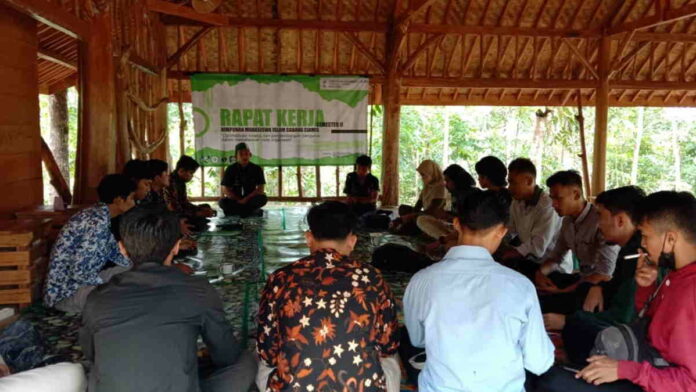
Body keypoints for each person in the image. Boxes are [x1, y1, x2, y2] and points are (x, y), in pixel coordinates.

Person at [79, 205, 256, 392]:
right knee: (245, 363)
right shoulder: (197, 290)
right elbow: (226, 356)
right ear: (177, 246)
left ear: (122, 248)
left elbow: (91, 354)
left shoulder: (97, 297)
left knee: (93, 370)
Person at [537, 191, 696, 392]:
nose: (642, 244)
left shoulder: (691, 291)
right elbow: (649, 323)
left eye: (646, 236)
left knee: (551, 383)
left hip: (655, 379)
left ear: (671, 239)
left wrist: (625, 370)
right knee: (554, 377)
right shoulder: (675, 274)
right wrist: (646, 288)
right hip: (646, 364)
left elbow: (690, 383)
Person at [404, 190, 554, 392]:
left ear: (456, 224)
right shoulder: (520, 286)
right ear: (501, 231)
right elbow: (539, 362)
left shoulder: (422, 281)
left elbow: (417, 339)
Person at [257, 201, 400, 392]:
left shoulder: (280, 278)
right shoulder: (371, 276)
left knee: (260, 360)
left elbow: (267, 352)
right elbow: (388, 345)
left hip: (294, 387)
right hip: (361, 386)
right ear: (352, 240)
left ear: (309, 238)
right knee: (391, 359)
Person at [544, 186, 651, 366]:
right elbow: (616, 286)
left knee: (578, 323)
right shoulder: (627, 250)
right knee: (584, 292)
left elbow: (625, 314)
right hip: (612, 310)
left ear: (620, 220)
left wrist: (567, 322)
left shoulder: (639, 255)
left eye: (600, 216)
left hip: (631, 333)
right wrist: (598, 287)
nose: (598, 224)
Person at [44, 174, 136, 313]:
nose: (134, 203)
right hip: (67, 294)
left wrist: (137, 267)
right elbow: (79, 273)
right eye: (131, 198)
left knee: (133, 272)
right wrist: (106, 287)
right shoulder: (96, 223)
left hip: (82, 285)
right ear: (119, 200)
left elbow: (115, 254)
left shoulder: (99, 215)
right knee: (123, 297)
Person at [534, 170, 620, 315]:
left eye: (558, 199)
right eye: (551, 198)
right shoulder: (567, 221)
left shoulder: (600, 222)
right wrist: (540, 274)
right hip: (581, 279)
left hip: (597, 287)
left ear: (576, 194)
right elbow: (556, 256)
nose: (553, 204)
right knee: (544, 277)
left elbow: (604, 274)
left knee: (550, 302)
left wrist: (562, 291)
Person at [500, 158, 562, 270]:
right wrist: (496, 241)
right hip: (529, 261)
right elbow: (509, 230)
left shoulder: (547, 206)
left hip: (553, 268)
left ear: (529, 181)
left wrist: (509, 253)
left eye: (513, 182)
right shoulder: (517, 202)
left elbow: (537, 247)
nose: (509, 188)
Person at [418, 164, 476, 250]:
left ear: (456, 181)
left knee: (450, 245)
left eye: (447, 181)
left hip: (469, 235)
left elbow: (468, 225)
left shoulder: (471, 196)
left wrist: (441, 240)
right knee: (422, 220)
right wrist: (446, 216)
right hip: (456, 230)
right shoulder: (456, 194)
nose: (445, 184)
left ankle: (449, 241)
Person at [392, 160, 447, 235]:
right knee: (403, 208)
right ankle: (411, 227)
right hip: (425, 214)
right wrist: (408, 217)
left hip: (434, 218)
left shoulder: (441, 187)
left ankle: (414, 229)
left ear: (431, 173)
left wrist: (410, 216)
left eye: (423, 175)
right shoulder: (427, 186)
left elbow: (432, 211)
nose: (422, 177)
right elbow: (418, 205)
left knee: (418, 219)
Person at [219, 143, 268, 217]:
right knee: (222, 202)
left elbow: (260, 189)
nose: (244, 156)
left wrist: (246, 199)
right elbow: (225, 189)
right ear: (236, 157)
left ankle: (238, 211)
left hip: (250, 199)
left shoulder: (257, 169)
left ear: (250, 155)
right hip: (235, 200)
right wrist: (239, 200)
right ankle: (251, 211)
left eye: (246, 153)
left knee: (263, 198)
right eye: (241, 154)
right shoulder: (230, 169)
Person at [164, 155, 215, 221]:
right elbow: (175, 209)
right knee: (200, 222)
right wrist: (197, 213)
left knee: (205, 207)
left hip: (179, 211)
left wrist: (200, 209)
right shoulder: (171, 182)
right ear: (181, 170)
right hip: (172, 216)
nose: (192, 176)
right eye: (191, 173)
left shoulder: (180, 182)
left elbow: (184, 203)